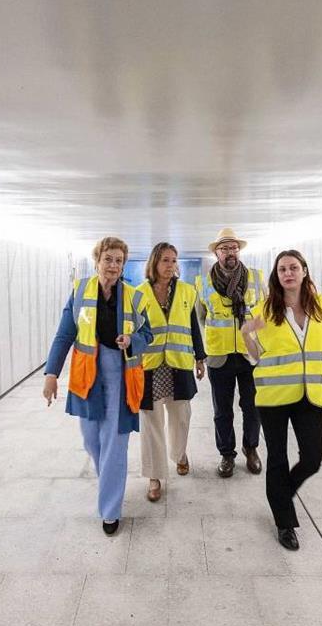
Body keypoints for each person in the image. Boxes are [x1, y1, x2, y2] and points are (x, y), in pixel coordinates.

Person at [44, 237, 152, 535]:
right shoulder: (80, 292)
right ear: (97, 260)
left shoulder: (133, 296)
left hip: (120, 373)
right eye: (109, 259)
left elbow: (149, 335)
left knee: (114, 443)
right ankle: (111, 481)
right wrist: (51, 373)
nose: (114, 266)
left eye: (119, 260)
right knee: (92, 440)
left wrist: (133, 340)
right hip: (88, 375)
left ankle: (110, 510)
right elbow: (64, 334)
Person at [241, 249, 322, 551]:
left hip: (310, 393)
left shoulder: (321, 307)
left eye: (293, 268)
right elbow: (255, 355)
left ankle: (280, 495)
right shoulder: (265, 309)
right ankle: (285, 523)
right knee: (278, 458)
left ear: (303, 271)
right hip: (274, 396)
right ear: (276, 275)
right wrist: (247, 332)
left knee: (312, 459)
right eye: (282, 269)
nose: (288, 273)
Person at [137, 242, 207, 502]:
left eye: (174, 260)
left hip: (178, 364)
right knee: (151, 422)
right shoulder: (139, 293)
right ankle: (154, 476)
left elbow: (193, 327)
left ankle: (179, 453)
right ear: (154, 262)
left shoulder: (188, 291)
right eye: (166, 260)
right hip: (150, 367)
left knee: (181, 417)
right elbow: (133, 332)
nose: (171, 265)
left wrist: (200, 358)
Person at [194, 228, 265, 478]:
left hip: (250, 355)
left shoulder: (256, 278)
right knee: (222, 410)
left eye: (233, 247)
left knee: (252, 406)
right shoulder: (203, 282)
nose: (230, 252)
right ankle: (226, 454)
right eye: (224, 248)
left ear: (239, 250)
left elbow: (265, 315)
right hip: (219, 356)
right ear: (216, 253)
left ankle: (251, 448)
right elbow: (201, 318)